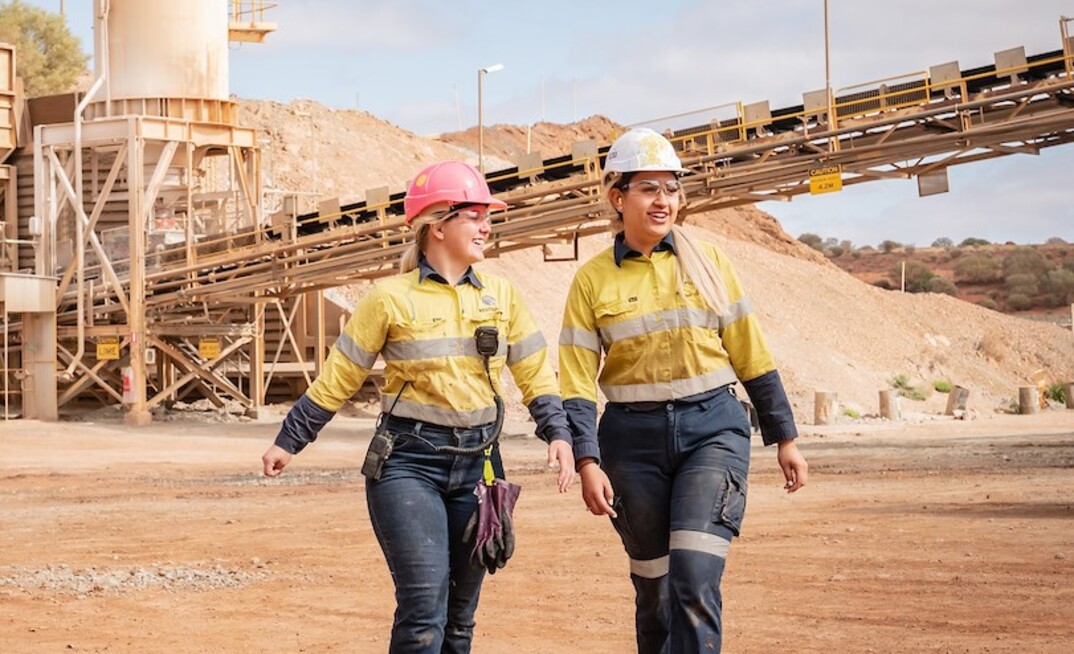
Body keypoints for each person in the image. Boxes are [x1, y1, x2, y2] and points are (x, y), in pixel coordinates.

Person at [261, 160, 575, 654]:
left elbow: (535, 372)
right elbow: (340, 376)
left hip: (480, 466)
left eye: (487, 216)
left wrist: (558, 432)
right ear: (438, 224)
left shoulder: (503, 297)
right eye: (475, 216)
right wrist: (290, 439)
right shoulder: (388, 299)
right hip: (408, 464)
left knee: (459, 622)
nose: (487, 226)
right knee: (424, 612)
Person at [558, 128, 808, 653]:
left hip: (711, 431)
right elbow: (577, 379)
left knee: (693, 579)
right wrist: (587, 461)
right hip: (632, 444)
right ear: (616, 196)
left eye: (671, 189)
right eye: (649, 188)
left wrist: (784, 436)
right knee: (655, 593)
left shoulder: (709, 263)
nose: (663, 200)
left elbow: (750, 351)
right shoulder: (591, 281)